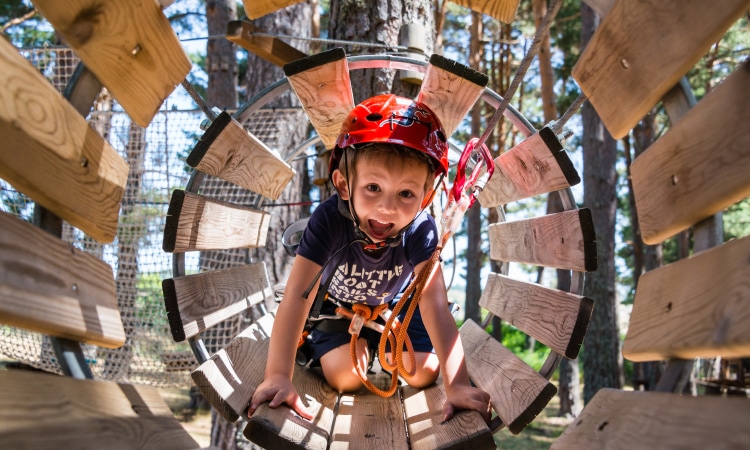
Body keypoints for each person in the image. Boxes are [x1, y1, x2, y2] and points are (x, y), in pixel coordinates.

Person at [248, 93, 490, 423]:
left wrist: (457, 385)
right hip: (340, 310)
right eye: (373, 187)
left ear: (426, 195)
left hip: (400, 308)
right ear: (344, 185)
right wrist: (278, 374)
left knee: (424, 373)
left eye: (406, 193)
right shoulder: (329, 220)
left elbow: (433, 303)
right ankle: (346, 345)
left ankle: (386, 345)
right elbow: (296, 297)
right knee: (345, 379)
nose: (387, 207)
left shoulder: (422, 229)